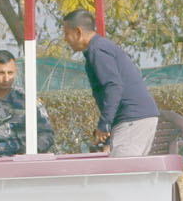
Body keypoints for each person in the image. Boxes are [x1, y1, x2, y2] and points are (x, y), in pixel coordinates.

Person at [60, 9, 158, 157]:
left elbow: (113, 86)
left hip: (132, 119)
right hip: (138, 118)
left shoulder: (97, 50)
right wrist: (108, 137)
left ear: (79, 31)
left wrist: (105, 125)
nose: (65, 39)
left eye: (67, 33)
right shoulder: (100, 47)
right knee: (132, 175)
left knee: (121, 175)